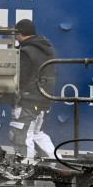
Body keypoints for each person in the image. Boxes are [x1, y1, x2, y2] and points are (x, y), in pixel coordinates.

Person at [11, 18, 56, 159]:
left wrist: (15, 100)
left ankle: (25, 170)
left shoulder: (26, 52)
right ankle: (55, 164)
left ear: (21, 34)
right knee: (37, 133)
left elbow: (21, 79)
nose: (15, 38)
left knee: (21, 135)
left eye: (16, 34)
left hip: (28, 101)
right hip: (44, 100)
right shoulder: (47, 49)